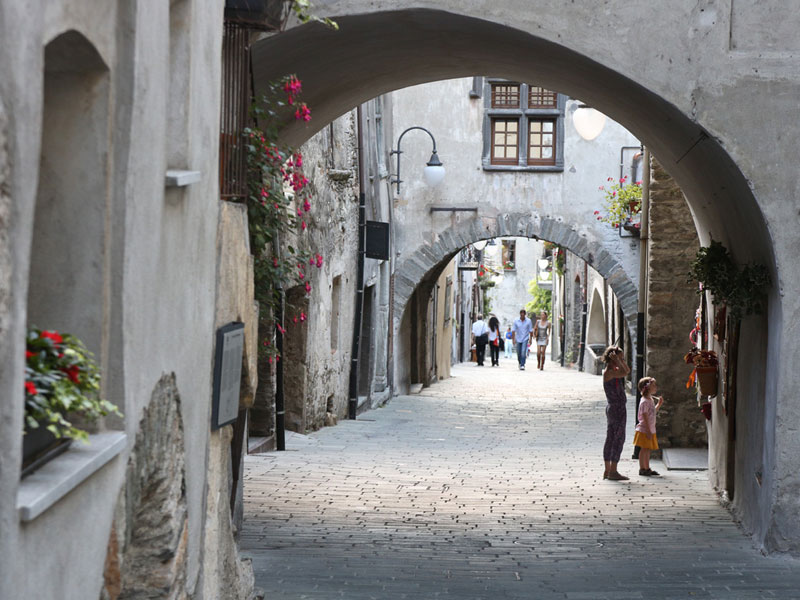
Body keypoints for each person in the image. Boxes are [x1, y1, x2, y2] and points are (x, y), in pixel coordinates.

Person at [602, 346, 631, 480]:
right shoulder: (610, 372)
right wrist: (618, 360)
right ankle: (612, 470)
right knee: (617, 439)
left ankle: (608, 470)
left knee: (612, 437)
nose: (622, 361)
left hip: (616, 408)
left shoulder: (613, 370)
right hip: (616, 408)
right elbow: (626, 372)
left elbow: (627, 370)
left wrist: (620, 360)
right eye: (621, 358)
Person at [634, 377, 664, 477]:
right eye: (653, 385)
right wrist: (648, 430)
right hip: (645, 429)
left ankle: (646, 468)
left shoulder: (649, 399)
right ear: (647, 388)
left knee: (647, 449)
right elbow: (645, 417)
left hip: (649, 428)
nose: (656, 387)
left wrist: (659, 404)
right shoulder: (644, 402)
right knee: (644, 449)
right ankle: (643, 468)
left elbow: (652, 413)